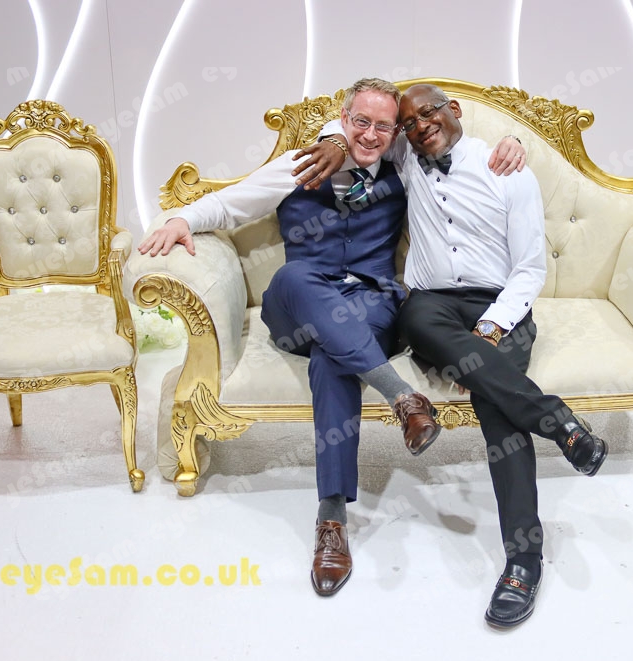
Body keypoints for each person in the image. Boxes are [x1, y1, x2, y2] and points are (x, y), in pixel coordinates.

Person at [138, 78, 526, 598]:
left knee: (331, 358)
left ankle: (332, 520)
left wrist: (513, 143)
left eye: (383, 126)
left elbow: (457, 149)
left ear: (395, 134)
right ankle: (402, 398)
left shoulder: (403, 168)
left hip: (370, 306)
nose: (370, 134)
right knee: (293, 276)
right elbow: (231, 205)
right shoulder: (300, 164)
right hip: (297, 305)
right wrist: (182, 218)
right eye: (360, 122)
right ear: (342, 120)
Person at [302, 84, 608, 626]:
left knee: (498, 406)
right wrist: (332, 139)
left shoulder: (509, 170)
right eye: (409, 122)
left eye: (429, 113)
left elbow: (529, 270)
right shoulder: (404, 154)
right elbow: (358, 126)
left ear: (455, 111)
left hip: (502, 305)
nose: (420, 126)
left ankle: (523, 560)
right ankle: (560, 423)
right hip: (434, 308)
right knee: (416, 318)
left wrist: (490, 328)